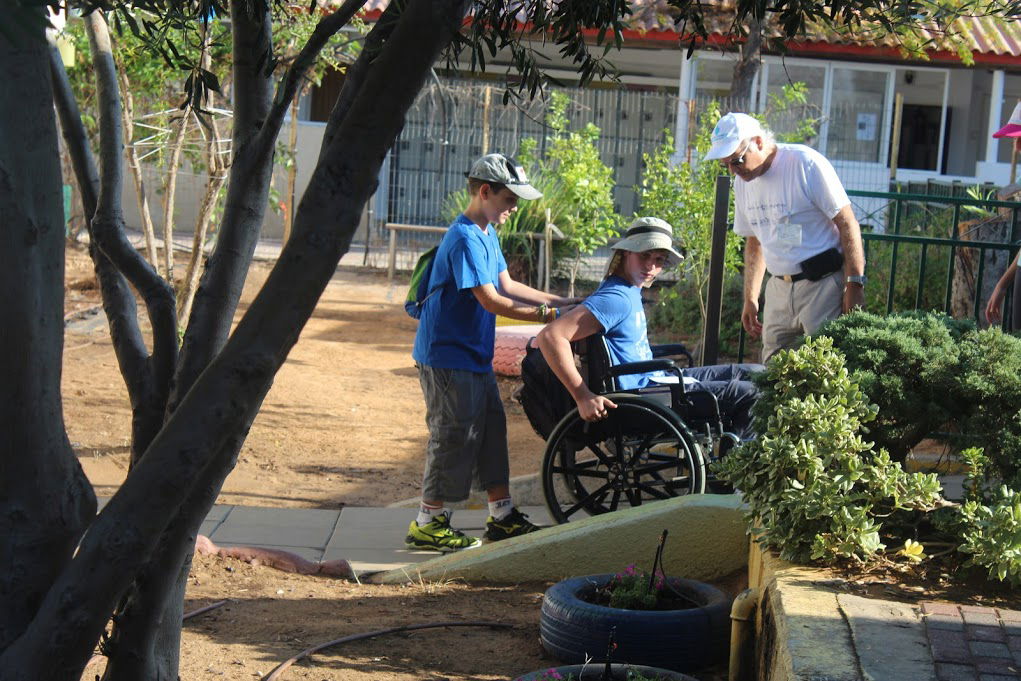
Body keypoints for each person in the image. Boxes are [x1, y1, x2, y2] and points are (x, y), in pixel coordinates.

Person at [408, 152, 579, 552]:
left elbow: (508, 284)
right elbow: (491, 301)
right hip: (447, 358)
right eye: (509, 200)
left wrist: (564, 301)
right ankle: (427, 523)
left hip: (472, 356)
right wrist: (549, 313)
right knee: (453, 436)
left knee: (490, 431)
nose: (514, 208)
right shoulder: (465, 237)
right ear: (485, 192)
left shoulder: (486, 233)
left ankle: (501, 516)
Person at [535, 217, 762, 440]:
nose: (651, 267)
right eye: (644, 255)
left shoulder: (628, 289)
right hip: (644, 397)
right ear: (626, 252)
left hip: (656, 380)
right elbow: (550, 336)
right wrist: (582, 396)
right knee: (751, 394)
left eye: (659, 259)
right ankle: (737, 465)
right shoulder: (616, 298)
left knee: (758, 374)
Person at [704, 112, 867, 362]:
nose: (733, 170)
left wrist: (854, 285)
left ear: (758, 142)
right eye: (725, 164)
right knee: (773, 373)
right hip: (778, 288)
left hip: (822, 286)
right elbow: (755, 241)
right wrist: (750, 297)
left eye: (736, 160)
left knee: (825, 368)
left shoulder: (804, 163)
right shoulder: (742, 183)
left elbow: (848, 224)